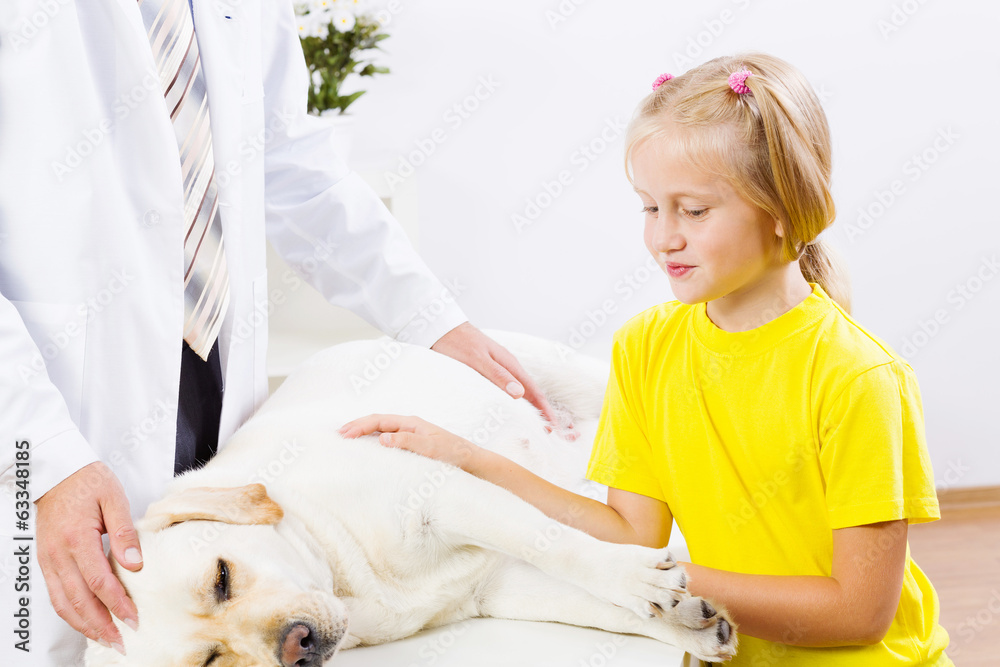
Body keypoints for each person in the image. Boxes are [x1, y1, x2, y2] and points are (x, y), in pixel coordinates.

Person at [341, 52, 954, 665]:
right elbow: (631, 534)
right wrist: (470, 457)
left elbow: (859, 614)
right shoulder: (646, 346)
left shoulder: (861, 379)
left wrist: (660, 580)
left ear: (782, 210)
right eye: (650, 207)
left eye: (694, 210)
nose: (665, 237)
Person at [0, 0, 559, 664]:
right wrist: (44, 462)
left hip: (210, 393)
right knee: (42, 640)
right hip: (43, 416)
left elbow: (294, 163)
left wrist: (432, 320)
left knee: (225, 639)